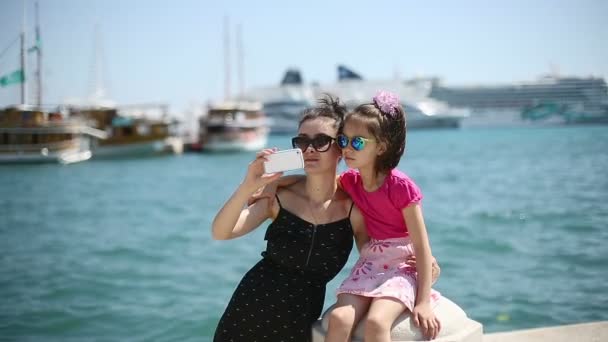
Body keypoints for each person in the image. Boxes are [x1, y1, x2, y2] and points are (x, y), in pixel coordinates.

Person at [211, 96, 369, 341]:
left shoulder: (353, 210)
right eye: (302, 142)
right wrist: (247, 185)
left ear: (341, 147)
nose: (309, 150)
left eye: (321, 141)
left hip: (298, 324)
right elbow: (221, 232)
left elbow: (373, 259)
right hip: (247, 313)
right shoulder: (278, 197)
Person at [324, 90, 441, 341]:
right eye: (343, 141)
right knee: (338, 318)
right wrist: (275, 185)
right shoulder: (350, 181)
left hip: (403, 265)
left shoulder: (401, 187)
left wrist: (423, 301)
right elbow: (318, 186)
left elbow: (421, 244)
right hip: (371, 263)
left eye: (357, 142)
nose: (346, 149)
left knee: (376, 323)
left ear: (381, 147)